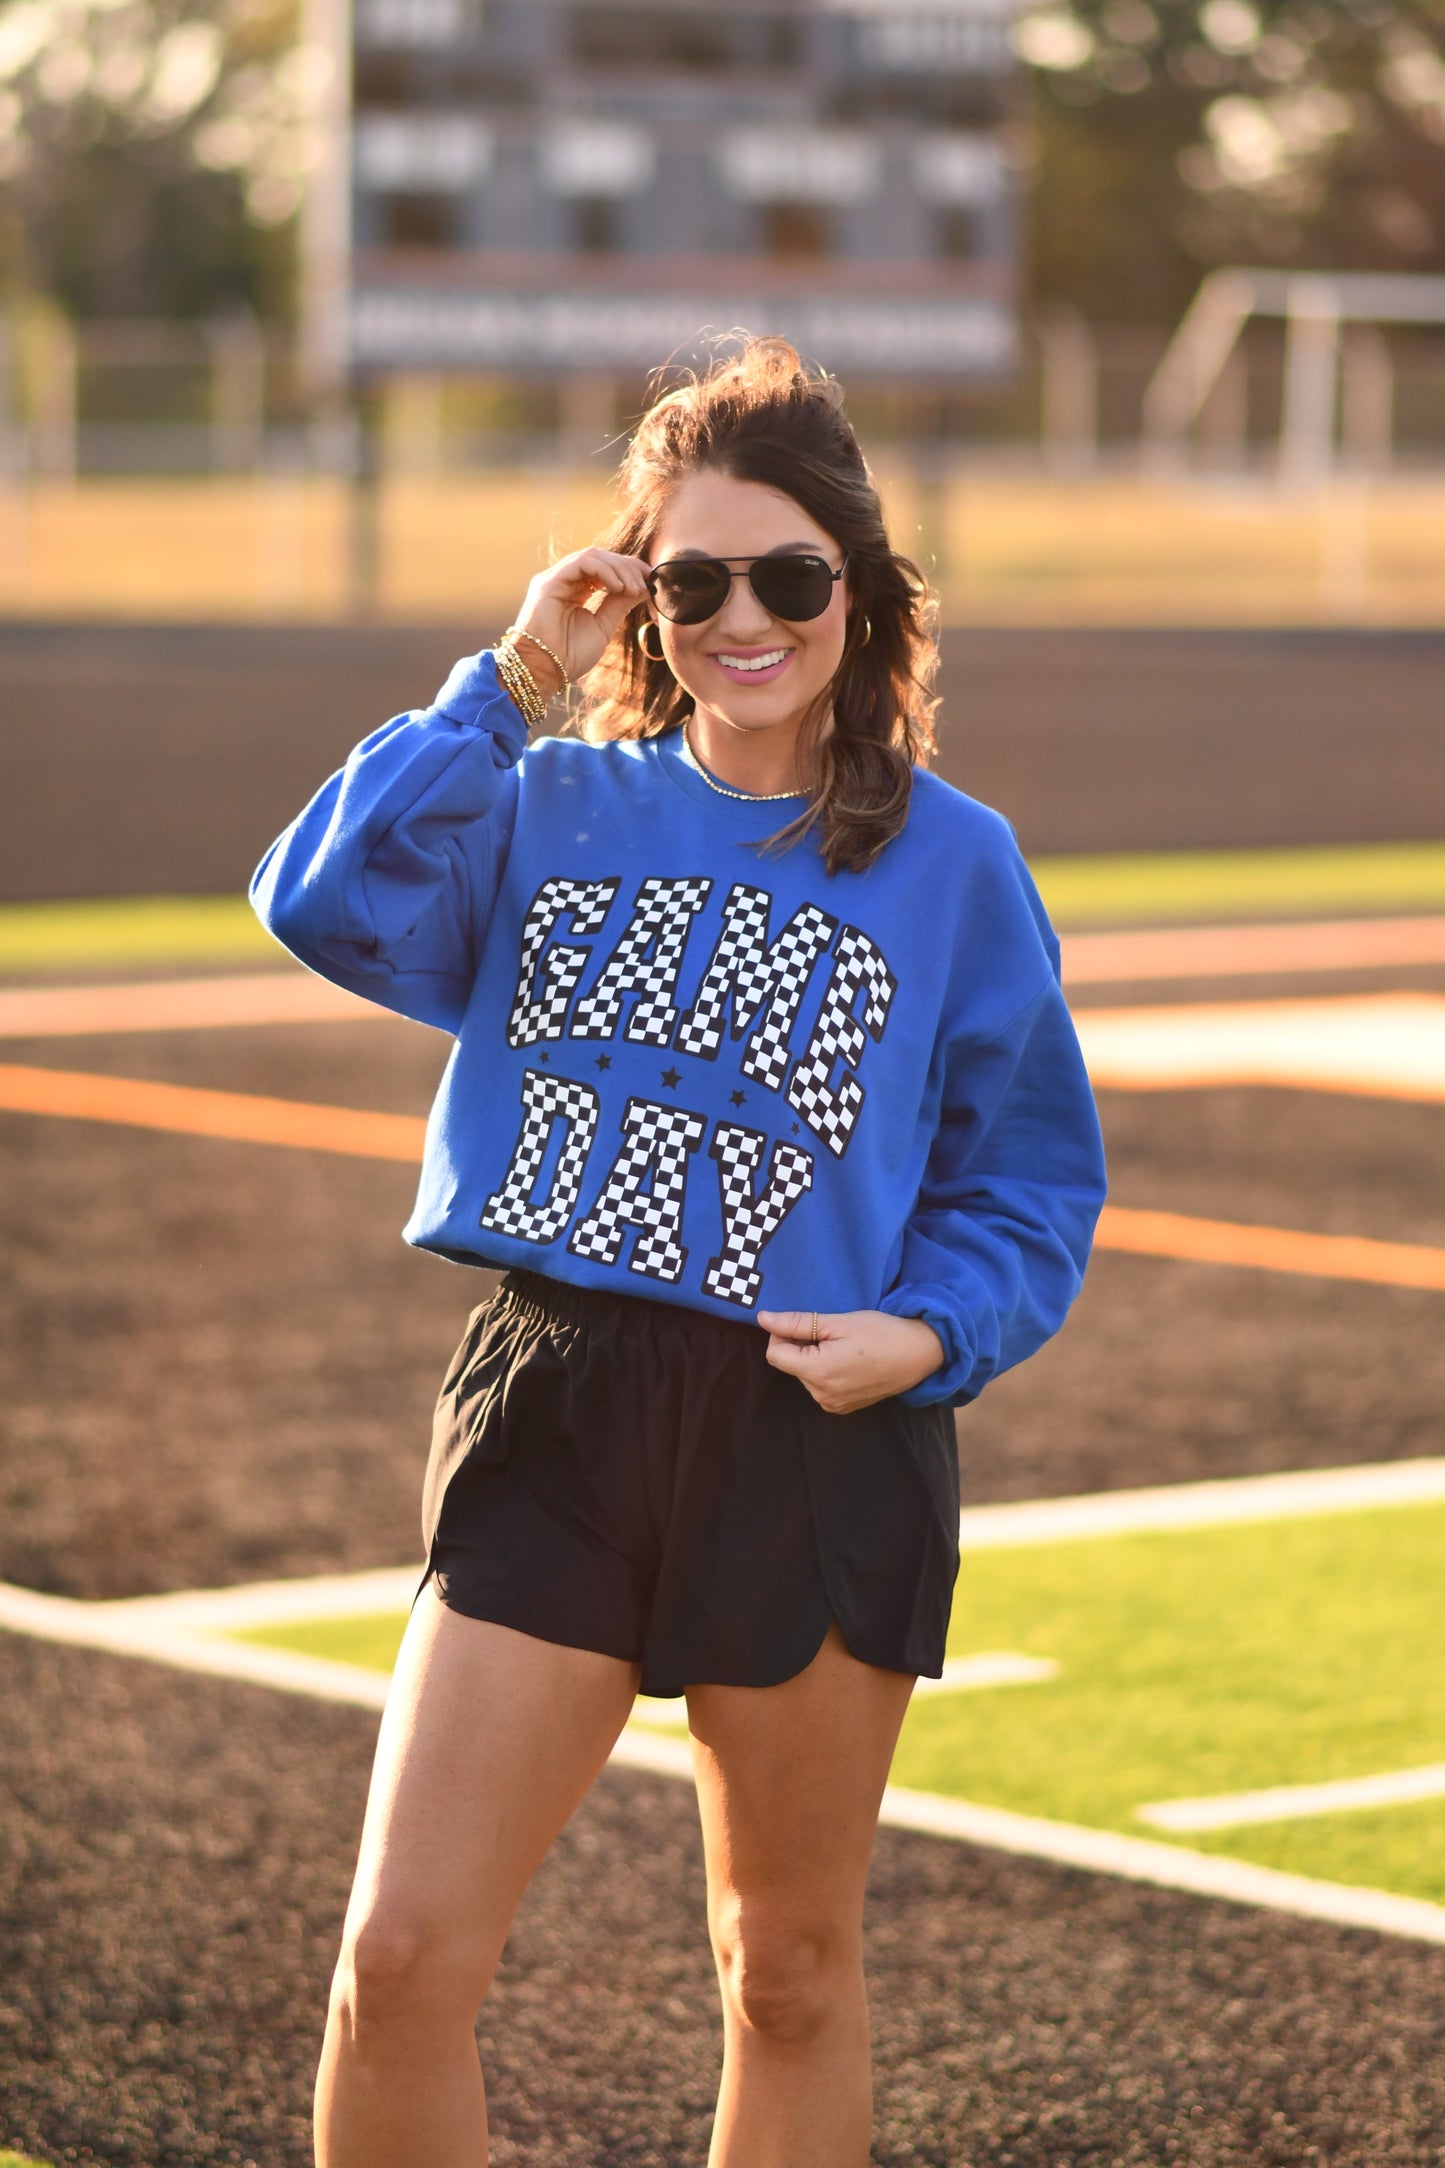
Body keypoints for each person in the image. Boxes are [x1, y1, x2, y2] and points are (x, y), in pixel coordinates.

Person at [252, 336, 1107, 2168]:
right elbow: (320, 897)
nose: (744, 617)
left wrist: (929, 1335)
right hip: (559, 1401)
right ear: (643, 602)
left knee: (783, 1970)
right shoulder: (551, 801)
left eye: (788, 576)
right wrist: (510, 677)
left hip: (814, 1428)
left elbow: (1029, 1183)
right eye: (694, 577)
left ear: (857, 596)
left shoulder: (956, 864)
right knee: (399, 1959)